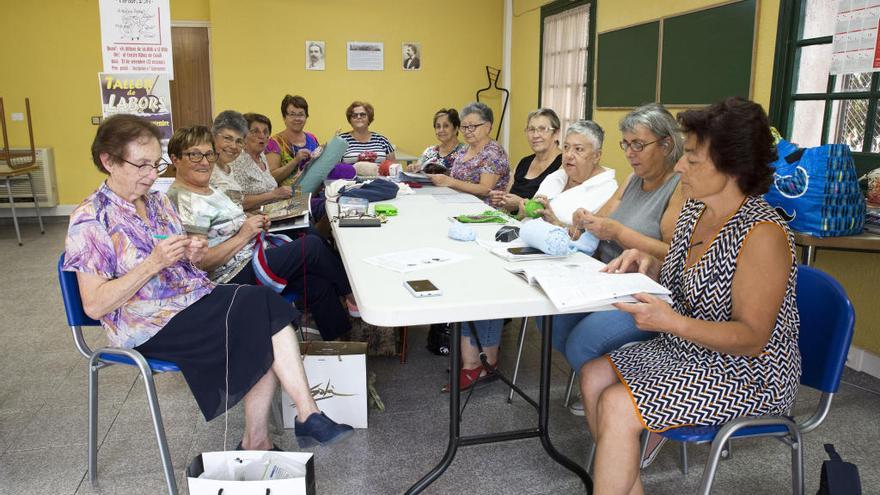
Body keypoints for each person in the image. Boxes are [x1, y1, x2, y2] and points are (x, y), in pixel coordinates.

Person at [63, 114, 353, 450]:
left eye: (154, 164)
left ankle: (283, 427)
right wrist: (154, 263)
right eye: (141, 165)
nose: (151, 175)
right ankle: (293, 423)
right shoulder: (90, 218)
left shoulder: (156, 203)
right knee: (261, 313)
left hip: (192, 297)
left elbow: (183, 259)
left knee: (263, 310)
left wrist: (192, 250)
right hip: (148, 322)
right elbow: (95, 304)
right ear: (108, 161)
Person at [581, 97, 800, 494]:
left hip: (748, 373)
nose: (681, 165)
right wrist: (648, 260)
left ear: (732, 167)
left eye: (694, 160)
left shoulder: (762, 233)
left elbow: (753, 338)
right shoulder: (694, 211)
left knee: (616, 404)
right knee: (593, 374)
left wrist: (671, 322)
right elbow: (686, 281)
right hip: (687, 348)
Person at [165, 125, 358, 341]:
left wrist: (251, 221)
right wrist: (244, 234)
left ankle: (342, 350)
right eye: (194, 155)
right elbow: (200, 262)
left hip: (251, 253)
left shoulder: (207, 188)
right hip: (230, 276)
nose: (204, 161)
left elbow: (229, 220)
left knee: (315, 282)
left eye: (209, 154)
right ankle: (355, 298)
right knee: (311, 246)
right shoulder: (184, 200)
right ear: (175, 159)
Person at [555, 103, 685, 421]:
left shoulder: (679, 186)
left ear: (666, 143)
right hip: (609, 277)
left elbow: (673, 251)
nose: (630, 153)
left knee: (583, 342)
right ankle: (599, 385)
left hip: (648, 289)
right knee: (552, 318)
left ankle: (619, 402)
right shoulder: (632, 180)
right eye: (625, 144)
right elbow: (604, 218)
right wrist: (584, 218)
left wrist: (619, 232)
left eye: (638, 144)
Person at [428, 101, 510, 203]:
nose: (467, 131)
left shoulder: (494, 153)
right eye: (464, 127)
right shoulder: (464, 149)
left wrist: (449, 182)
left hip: (484, 211)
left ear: (487, 127)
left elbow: (485, 189)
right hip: (457, 202)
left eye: (472, 126)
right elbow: (456, 178)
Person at [488, 108, 562, 214]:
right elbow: (507, 201)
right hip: (512, 222)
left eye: (542, 129)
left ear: (556, 133)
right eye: (531, 129)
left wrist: (520, 203)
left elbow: (556, 211)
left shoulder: (564, 165)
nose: (535, 135)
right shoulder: (523, 162)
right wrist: (502, 200)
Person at [229, 112, 292, 212]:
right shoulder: (236, 161)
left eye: (266, 132)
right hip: (254, 219)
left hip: (274, 210)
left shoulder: (261, 156)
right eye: (255, 131)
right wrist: (274, 194)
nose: (262, 136)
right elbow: (238, 202)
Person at [267, 95, 321, 186]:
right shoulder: (275, 142)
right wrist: (295, 161)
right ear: (284, 117)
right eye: (292, 114)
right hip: (286, 197)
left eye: (301, 114)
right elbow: (271, 178)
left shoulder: (312, 138)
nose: (297, 118)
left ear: (306, 117)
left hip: (313, 193)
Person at [208, 110, 248, 205]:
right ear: (213, 137)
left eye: (239, 141)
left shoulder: (229, 169)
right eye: (227, 138)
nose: (234, 146)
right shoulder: (205, 169)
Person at [408, 108, 465, 173]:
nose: (441, 130)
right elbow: (417, 168)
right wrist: (413, 168)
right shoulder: (429, 151)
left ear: (456, 129)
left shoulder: (465, 152)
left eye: (446, 126)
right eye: (438, 127)